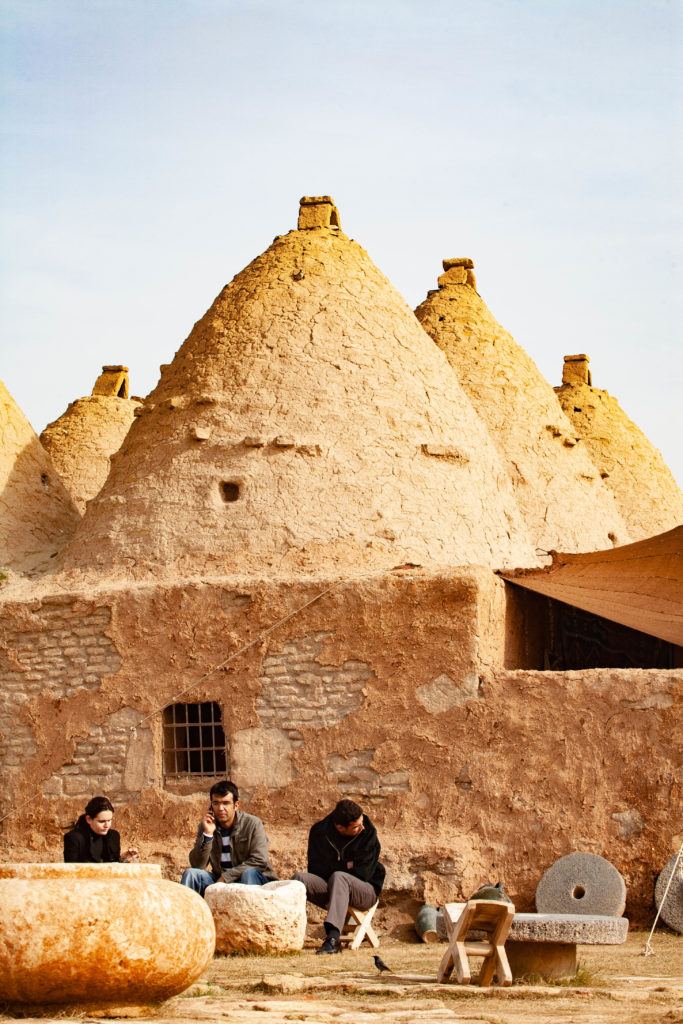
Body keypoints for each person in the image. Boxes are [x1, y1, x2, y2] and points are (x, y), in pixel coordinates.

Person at [295, 798, 385, 954]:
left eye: (361, 822)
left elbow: (363, 873)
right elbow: (315, 869)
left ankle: (333, 938)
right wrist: (348, 865)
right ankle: (291, 933)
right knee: (299, 879)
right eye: (356, 826)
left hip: (366, 890)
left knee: (339, 877)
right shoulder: (319, 832)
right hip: (333, 887)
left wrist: (336, 868)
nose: (362, 827)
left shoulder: (368, 831)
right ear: (340, 827)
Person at [180, 779, 277, 897]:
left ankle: (247, 909)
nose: (220, 808)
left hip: (252, 881)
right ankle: (185, 909)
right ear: (211, 806)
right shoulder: (206, 826)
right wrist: (207, 835)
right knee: (191, 874)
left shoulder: (252, 824)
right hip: (219, 881)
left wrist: (226, 877)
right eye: (216, 803)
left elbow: (259, 860)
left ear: (236, 805)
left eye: (225, 803)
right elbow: (197, 865)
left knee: (248, 873)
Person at [63, 796, 139, 863]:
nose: (107, 825)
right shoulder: (74, 839)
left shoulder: (113, 836)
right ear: (89, 819)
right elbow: (72, 870)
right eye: (102, 821)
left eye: (109, 820)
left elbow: (113, 866)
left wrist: (123, 859)